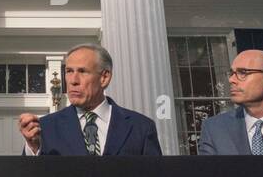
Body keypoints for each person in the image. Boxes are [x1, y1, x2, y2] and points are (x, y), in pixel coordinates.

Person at [18, 43, 162, 156]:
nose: (73, 81)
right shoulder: (45, 128)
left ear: (104, 78)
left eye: (82, 71)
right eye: (69, 71)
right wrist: (33, 148)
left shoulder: (141, 127)